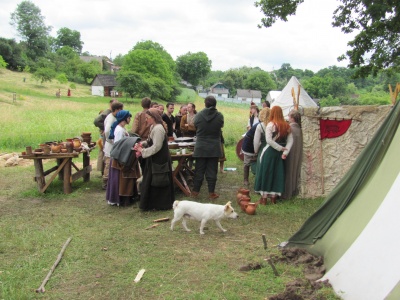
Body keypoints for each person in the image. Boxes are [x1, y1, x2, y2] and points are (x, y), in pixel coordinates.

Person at [133, 108, 175, 210]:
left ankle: (160, 205)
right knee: (151, 181)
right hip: (154, 160)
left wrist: (143, 151)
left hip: (160, 160)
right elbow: (149, 141)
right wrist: (141, 144)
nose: (146, 120)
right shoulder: (153, 127)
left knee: (159, 181)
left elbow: (157, 146)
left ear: (153, 118)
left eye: (147, 118)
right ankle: (151, 204)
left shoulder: (158, 129)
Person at [254, 106, 293, 205]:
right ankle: (273, 198)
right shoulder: (287, 126)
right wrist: (284, 153)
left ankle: (264, 199)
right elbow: (290, 141)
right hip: (279, 154)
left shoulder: (270, 125)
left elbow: (269, 140)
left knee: (266, 173)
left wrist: (280, 148)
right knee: (277, 174)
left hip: (269, 152)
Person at [191, 96, 224, 200]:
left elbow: (195, 126)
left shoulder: (199, 115)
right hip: (214, 147)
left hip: (201, 146)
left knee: (199, 170)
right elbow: (220, 126)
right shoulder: (219, 116)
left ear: (205, 104)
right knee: (212, 170)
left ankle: (195, 191)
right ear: (215, 104)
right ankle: (211, 193)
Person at [106, 110, 137, 206]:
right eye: (128, 117)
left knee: (123, 180)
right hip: (119, 157)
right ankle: (119, 199)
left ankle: (126, 198)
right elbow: (119, 145)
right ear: (124, 118)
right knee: (119, 180)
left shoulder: (122, 128)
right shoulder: (119, 130)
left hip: (122, 156)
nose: (130, 119)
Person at [282, 110, 303, 199]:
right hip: (297, 153)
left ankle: (286, 193)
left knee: (288, 171)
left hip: (289, 153)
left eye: (289, 116)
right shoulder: (299, 129)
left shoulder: (291, 128)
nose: (288, 117)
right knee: (294, 171)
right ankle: (292, 191)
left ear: (293, 118)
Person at [102, 101, 124, 189]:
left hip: (112, 145)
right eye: (121, 110)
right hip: (110, 146)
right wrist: (110, 140)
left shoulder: (114, 117)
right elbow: (107, 131)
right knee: (108, 164)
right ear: (117, 110)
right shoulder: (111, 118)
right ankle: (105, 183)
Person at [94, 99, 115, 176]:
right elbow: (96, 121)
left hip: (107, 135)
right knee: (103, 152)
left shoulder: (111, 113)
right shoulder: (107, 112)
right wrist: (104, 128)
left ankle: (103, 171)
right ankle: (103, 172)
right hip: (105, 136)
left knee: (104, 152)